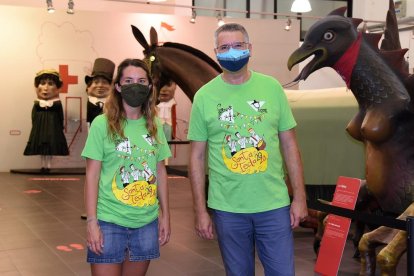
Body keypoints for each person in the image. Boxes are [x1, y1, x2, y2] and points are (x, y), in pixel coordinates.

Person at [187, 23, 308, 276]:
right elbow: (196, 158)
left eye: (238, 46)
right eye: (225, 47)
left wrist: (299, 197)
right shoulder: (204, 97)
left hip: (273, 205)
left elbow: (290, 145)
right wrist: (200, 210)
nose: (232, 52)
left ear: (250, 48)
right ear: (216, 52)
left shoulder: (272, 88)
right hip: (227, 207)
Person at [81, 58, 171, 276]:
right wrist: (92, 222)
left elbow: (160, 171)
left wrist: (165, 215)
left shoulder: (155, 125)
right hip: (109, 221)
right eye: (128, 80)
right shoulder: (102, 125)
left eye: (141, 80)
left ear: (150, 87)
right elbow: (91, 176)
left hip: (146, 222)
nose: (135, 85)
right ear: (118, 87)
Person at [24, 69, 69, 172]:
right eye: (42, 83)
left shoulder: (57, 103)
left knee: (50, 149)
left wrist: (60, 127)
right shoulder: (36, 103)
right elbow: (33, 116)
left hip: (53, 129)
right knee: (42, 149)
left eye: (50, 84)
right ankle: (43, 165)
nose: (46, 88)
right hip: (40, 129)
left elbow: (60, 116)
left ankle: (48, 166)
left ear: (57, 88)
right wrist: (35, 127)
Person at [85, 57, 115, 128]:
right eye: (96, 82)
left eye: (104, 82)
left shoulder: (114, 103)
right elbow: (87, 121)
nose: (100, 86)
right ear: (89, 86)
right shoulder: (89, 102)